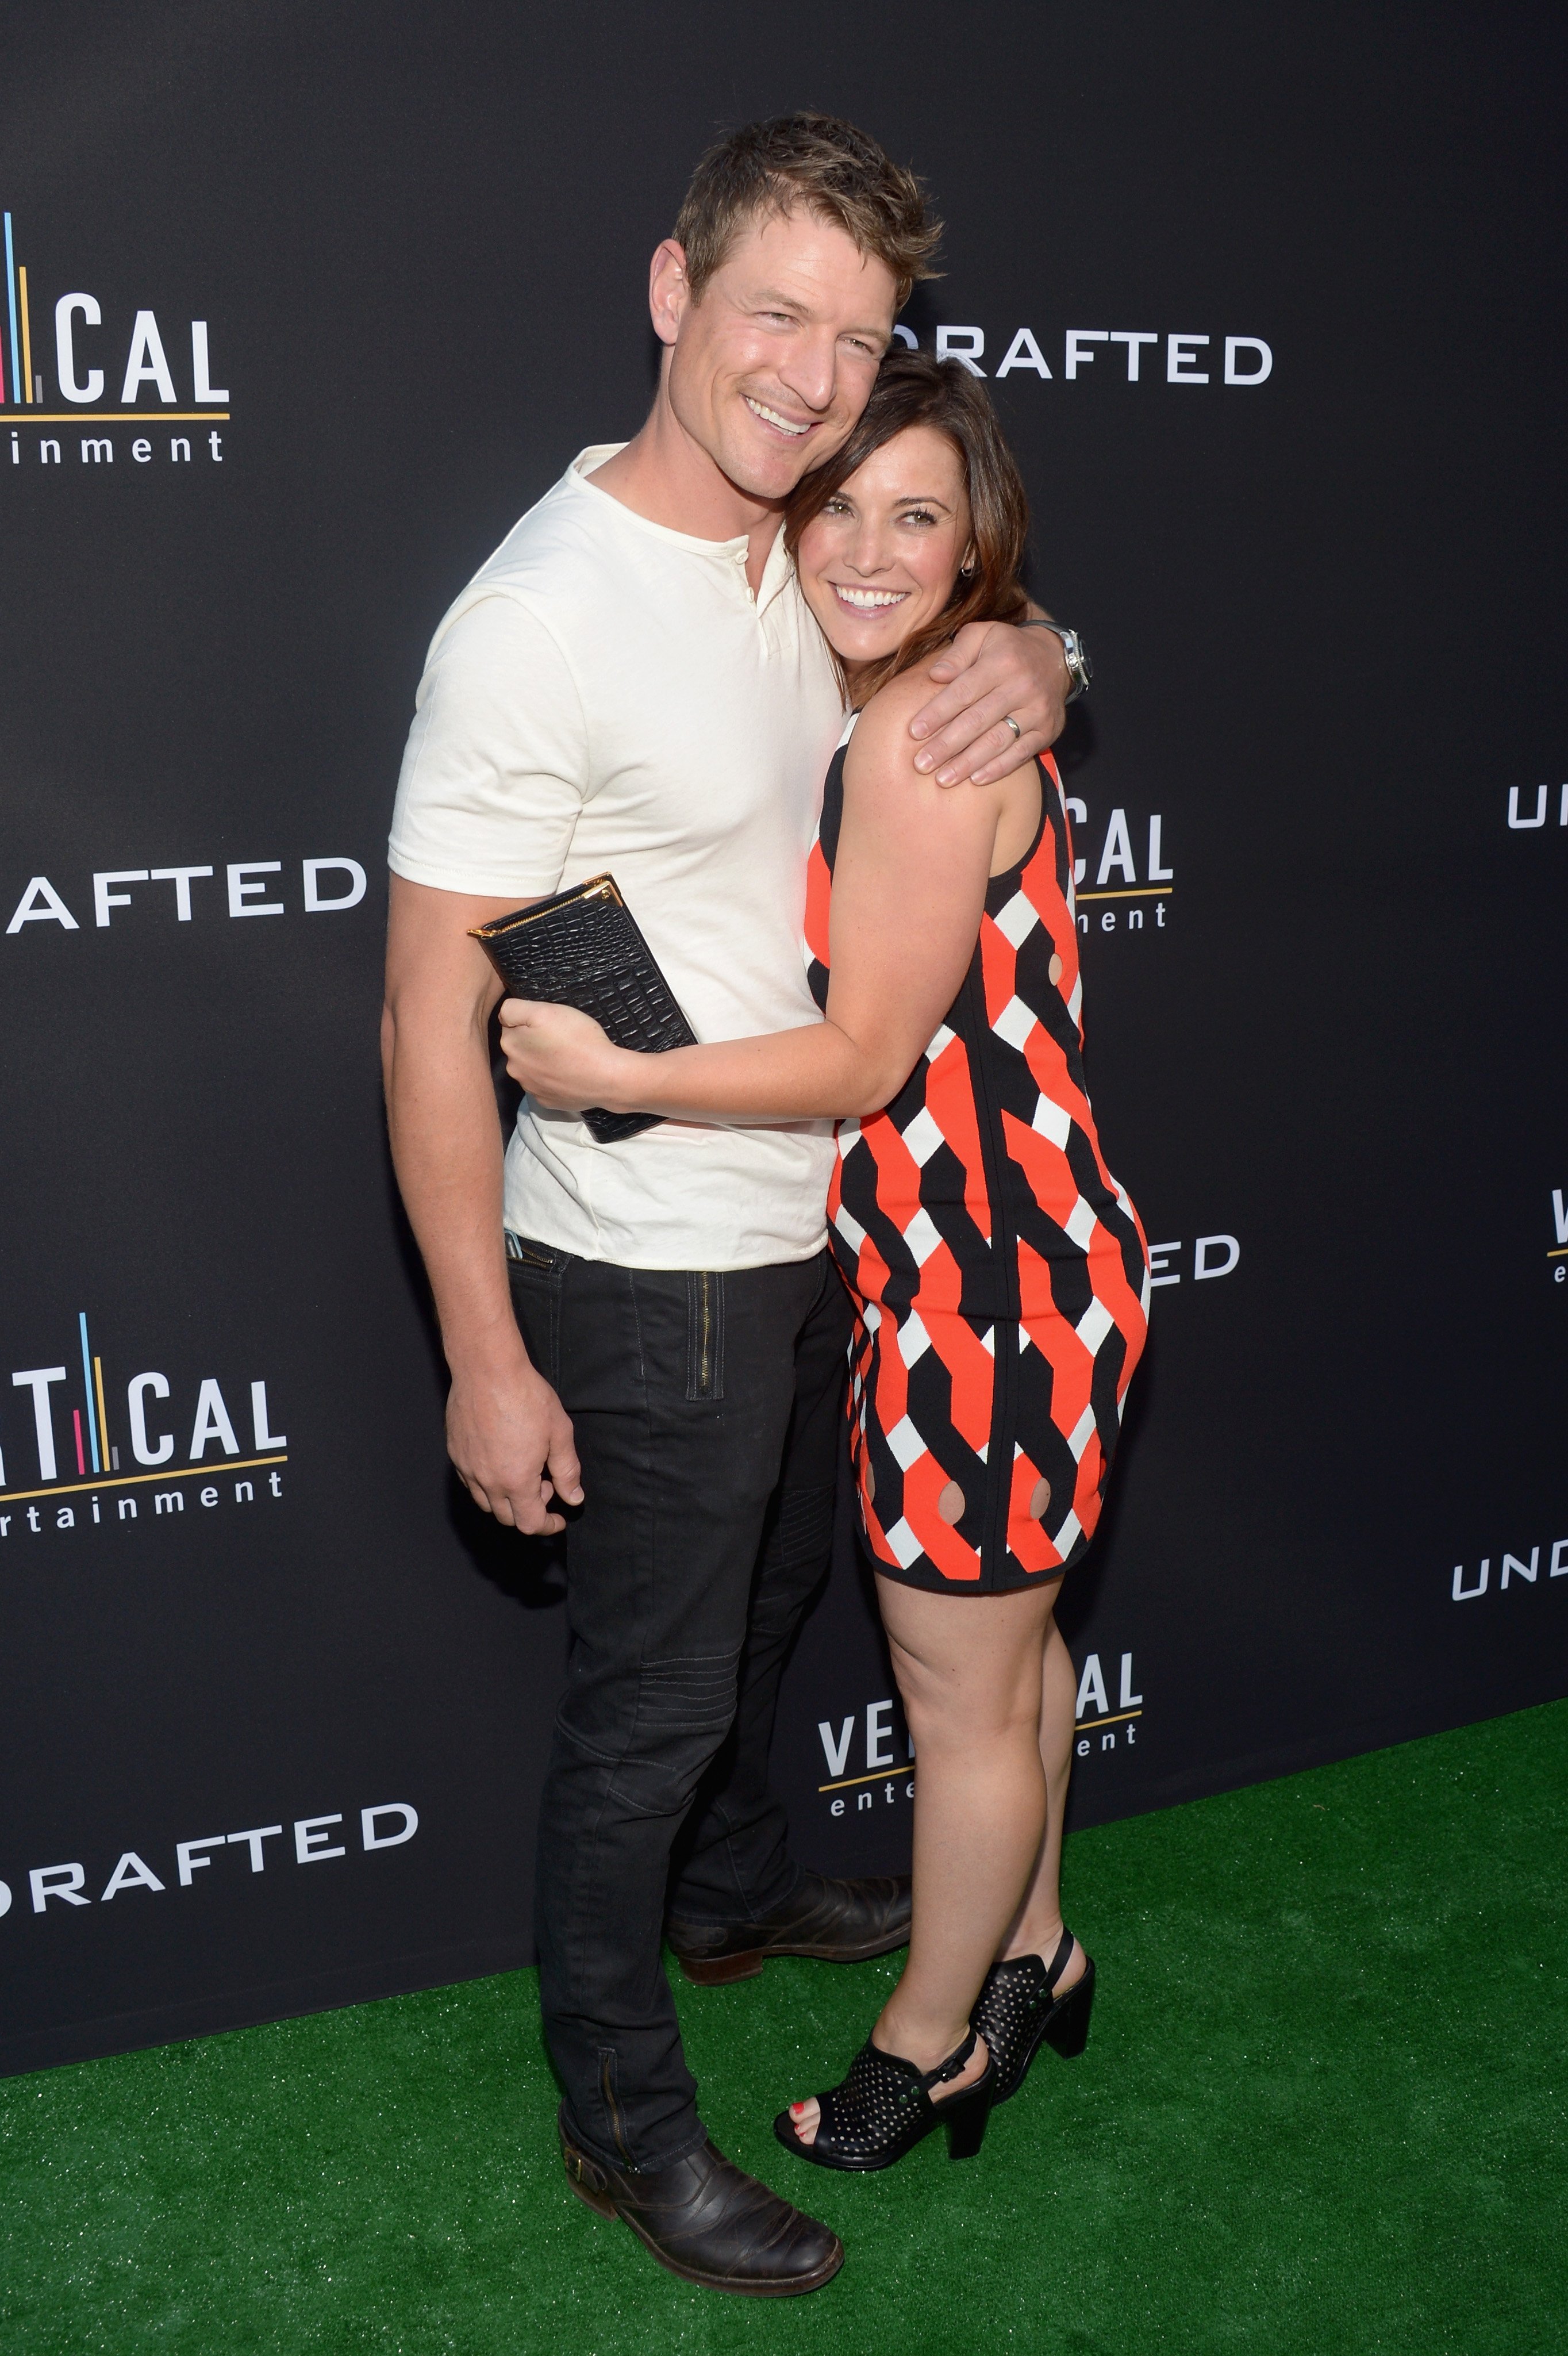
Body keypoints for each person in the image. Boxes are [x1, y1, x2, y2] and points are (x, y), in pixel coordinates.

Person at [382, 116, 1077, 2294]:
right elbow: (424, 1009)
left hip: (825, 1235)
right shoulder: (535, 619)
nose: (811, 371)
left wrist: (1053, 663)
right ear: (674, 292)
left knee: (778, 1612)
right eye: (775, 312)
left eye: (859, 335)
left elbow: (955, 615)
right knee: (653, 1708)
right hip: (647, 1260)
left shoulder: (801, 539)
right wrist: (485, 1348)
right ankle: (624, 2118)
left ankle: (738, 1887)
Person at [499, 351, 1150, 2177]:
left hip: (988, 1298)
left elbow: (868, 1062)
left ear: (974, 544)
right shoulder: (947, 688)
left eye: (917, 514)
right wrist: (1051, 648)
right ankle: (1037, 1947)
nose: (867, 545)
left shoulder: (918, 736)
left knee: (963, 1700)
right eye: (840, 504)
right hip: (1004, 1272)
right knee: (1012, 1667)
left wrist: (625, 1072)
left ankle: (932, 2046)